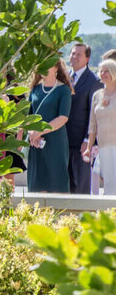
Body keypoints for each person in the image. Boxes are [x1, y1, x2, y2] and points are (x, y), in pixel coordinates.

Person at [26, 57, 73, 193]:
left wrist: (40, 131)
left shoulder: (63, 90)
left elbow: (63, 118)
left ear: (57, 68)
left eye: (48, 65)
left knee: (56, 183)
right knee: (37, 184)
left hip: (55, 142)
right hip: (36, 142)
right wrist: (32, 134)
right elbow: (28, 116)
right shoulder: (34, 90)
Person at [65, 42, 101, 194]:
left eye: (78, 54)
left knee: (81, 187)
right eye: (72, 53)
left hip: (82, 144)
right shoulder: (64, 77)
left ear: (87, 59)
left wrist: (88, 140)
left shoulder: (93, 81)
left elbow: (95, 114)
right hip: (64, 141)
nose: (74, 57)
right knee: (66, 187)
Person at [83, 59, 116, 194]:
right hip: (103, 144)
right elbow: (92, 125)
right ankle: (110, 212)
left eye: (106, 71)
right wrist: (89, 147)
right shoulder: (97, 96)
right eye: (101, 71)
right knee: (108, 181)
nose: (103, 74)